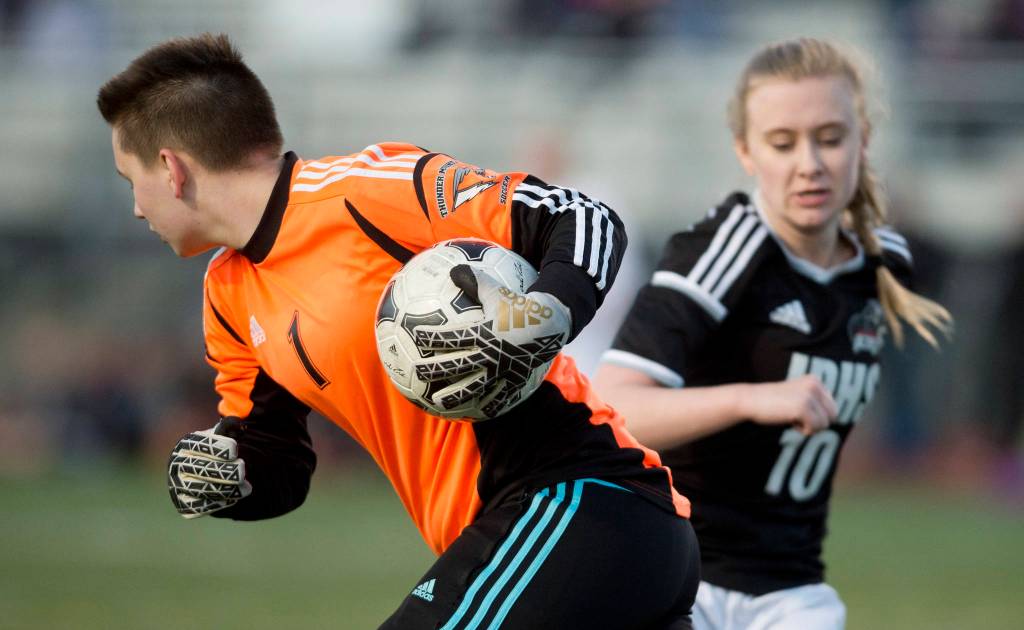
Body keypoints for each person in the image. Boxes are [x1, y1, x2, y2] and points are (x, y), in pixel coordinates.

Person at [97, 33, 699, 629]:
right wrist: (231, 476)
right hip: (529, 539)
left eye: (132, 181)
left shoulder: (366, 191)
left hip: (584, 502)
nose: (136, 209)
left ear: (172, 169)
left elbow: (580, 216)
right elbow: (277, 457)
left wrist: (537, 316)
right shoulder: (227, 293)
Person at [594, 38, 952, 629]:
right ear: (746, 152)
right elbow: (615, 408)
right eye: (782, 143)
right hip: (676, 571)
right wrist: (749, 399)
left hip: (792, 589)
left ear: (864, 138)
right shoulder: (723, 251)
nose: (808, 163)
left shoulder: (883, 261)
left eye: (830, 138)